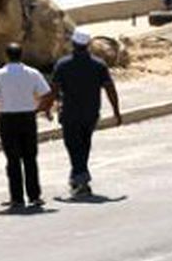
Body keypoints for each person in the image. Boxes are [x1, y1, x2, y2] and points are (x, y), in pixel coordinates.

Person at [49, 30, 121, 198]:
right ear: (88, 45)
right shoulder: (99, 65)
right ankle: (77, 177)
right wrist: (116, 111)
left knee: (73, 146)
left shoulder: (63, 64)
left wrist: (46, 107)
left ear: (73, 44)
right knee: (84, 144)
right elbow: (110, 89)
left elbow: (54, 90)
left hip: (70, 114)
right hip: (90, 113)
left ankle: (82, 180)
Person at [0, 43, 52, 208]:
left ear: (6, 56)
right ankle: (34, 195)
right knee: (30, 158)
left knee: (12, 159)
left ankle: (16, 197)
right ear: (21, 55)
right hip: (28, 117)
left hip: (7, 118)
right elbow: (47, 93)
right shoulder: (32, 73)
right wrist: (39, 109)